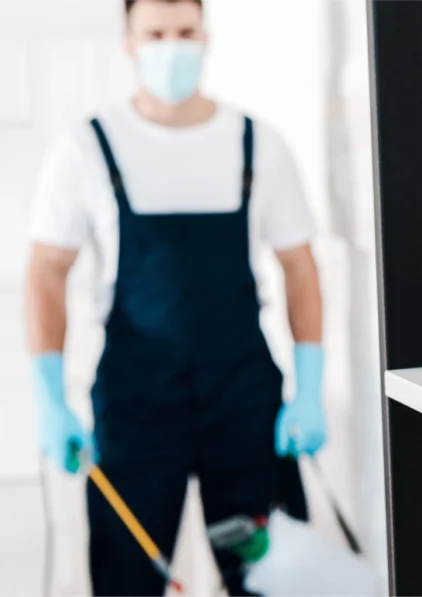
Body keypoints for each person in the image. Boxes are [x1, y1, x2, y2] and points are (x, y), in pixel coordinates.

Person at [24, 0, 327, 594]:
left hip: (242, 404)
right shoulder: (85, 148)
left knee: (272, 577)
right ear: (130, 43)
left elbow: (300, 268)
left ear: (206, 37)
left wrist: (310, 386)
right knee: (128, 576)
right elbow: (45, 272)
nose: (172, 46)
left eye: (185, 32)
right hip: (136, 408)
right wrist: (48, 397)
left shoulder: (257, 144)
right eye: (155, 33)